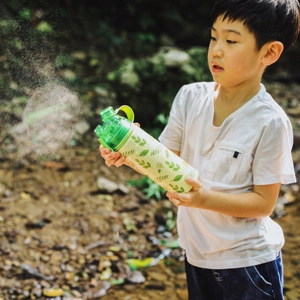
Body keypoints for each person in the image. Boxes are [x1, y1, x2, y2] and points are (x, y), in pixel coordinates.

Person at [99, 0, 300, 298]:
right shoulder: (189, 98)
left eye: (231, 40)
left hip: (249, 263)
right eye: (214, 36)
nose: (216, 50)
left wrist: (202, 199)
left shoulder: (270, 122)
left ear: (269, 52)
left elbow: (263, 204)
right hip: (197, 255)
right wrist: (130, 152)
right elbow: (164, 165)